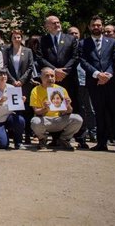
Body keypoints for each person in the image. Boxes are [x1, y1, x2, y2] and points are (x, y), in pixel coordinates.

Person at [78, 15, 115, 153]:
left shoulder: (112, 42)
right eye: (93, 25)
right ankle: (101, 143)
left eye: (98, 25)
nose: (96, 27)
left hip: (112, 83)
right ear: (89, 27)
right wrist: (97, 74)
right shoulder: (83, 43)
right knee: (99, 113)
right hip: (95, 83)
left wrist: (108, 75)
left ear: (103, 26)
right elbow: (83, 61)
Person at [36, 15, 84, 147]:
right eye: (53, 23)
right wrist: (54, 71)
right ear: (47, 26)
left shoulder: (71, 39)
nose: (57, 24)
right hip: (50, 79)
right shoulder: (42, 40)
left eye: (58, 22)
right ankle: (55, 138)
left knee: (70, 106)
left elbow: (75, 57)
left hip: (68, 79)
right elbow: (40, 58)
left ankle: (71, 137)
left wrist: (64, 72)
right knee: (53, 107)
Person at [30, 67, 83, 151]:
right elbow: (36, 111)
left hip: (59, 119)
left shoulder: (61, 89)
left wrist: (68, 105)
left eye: (52, 76)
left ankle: (64, 139)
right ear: (41, 77)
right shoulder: (35, 90)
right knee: (35, 121)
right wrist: (45, 108)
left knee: (77, 119)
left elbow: (69, 111)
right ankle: (42, 139)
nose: (50, 78)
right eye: (47, 76)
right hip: (45, 120)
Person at [67, 26, 97, 144]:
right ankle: (78, 135)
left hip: (86, 81)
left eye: (76, 33)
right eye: (71, 33)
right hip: (73, 83)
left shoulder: (85, 45)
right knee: (77, 109)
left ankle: (93, 133)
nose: (74, 35)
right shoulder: (67, 48)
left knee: (90, 109)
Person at [0, 68, 26, 149]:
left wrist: (21, 101)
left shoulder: (11, 88)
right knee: (3, 145)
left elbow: (16, 106)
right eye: (0, 75)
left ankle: (18, 142)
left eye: (5, 74)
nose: (3, 76)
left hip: (8, 117)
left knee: (20, 120)